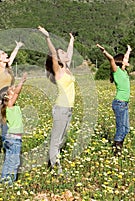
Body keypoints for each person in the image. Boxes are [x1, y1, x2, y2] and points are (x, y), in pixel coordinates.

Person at [38, 26, 75, 174]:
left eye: (64, 52)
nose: (65, 53)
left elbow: (70, 54)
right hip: (60, 108)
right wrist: (47, 37)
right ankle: (56, 170)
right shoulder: (58, 71)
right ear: (58, 59)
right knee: (55, 140)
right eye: (62, 53)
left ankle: (51, 161)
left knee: (61, 139)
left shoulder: (67, 68)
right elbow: (53, 53)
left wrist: (71, 40)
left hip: (68, 109)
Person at [96, 43, 132, 155]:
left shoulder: (124, 71)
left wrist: (128, 50)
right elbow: (111, 59)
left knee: (126, 129)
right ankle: (117, 151)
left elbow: (125, 58)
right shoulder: (116, 71)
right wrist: (104, 51)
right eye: (125, 59)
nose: (127, 60)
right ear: (121, 62)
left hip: (124, 104)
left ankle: (118, 147)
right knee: (121, 128)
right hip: (119, 103)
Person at [0, 72, 27, 184]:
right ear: (8, 97)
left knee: (8, 160)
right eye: (11, 89)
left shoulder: (10, 107)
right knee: (14, 162)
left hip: (10, 138)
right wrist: (22, 81)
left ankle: (3, 179)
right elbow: (17, 93)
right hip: (14, 139)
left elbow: (16, 94)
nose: (14, 89)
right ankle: (9, 182)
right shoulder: (10, 105)